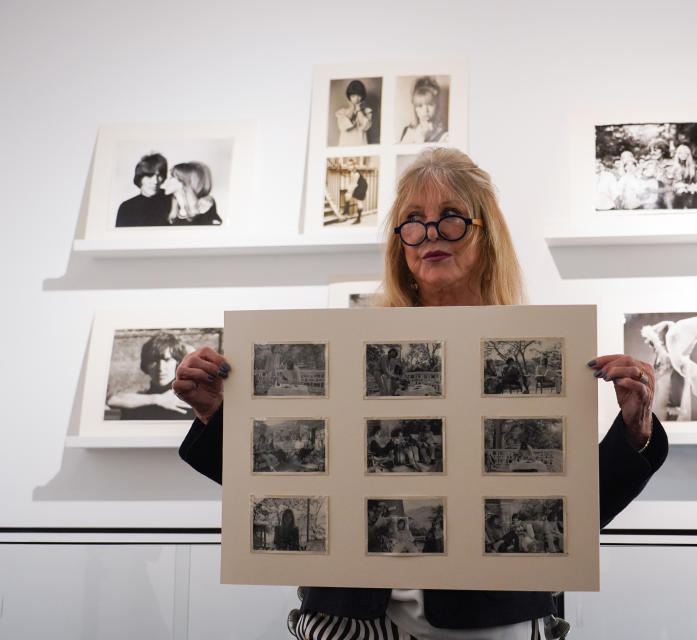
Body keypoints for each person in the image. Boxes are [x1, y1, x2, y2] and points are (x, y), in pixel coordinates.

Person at [174, 147, 668, 639]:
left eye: (450, 216)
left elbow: (570, 511)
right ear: (400, 246)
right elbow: (294, 477)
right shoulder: (353, 351)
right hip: (351, 617)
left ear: (485, 234)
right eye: (413, 220)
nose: (430, 233)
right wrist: (217, 415)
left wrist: (635, 432)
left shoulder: (533, 350)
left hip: (491, 619)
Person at [105, 332, 193, 420]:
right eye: (154, 361)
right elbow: (111, 399)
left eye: (167, 360)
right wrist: (158, 399)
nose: (160, 368)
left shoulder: (191, 397)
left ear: (177, 362)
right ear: (146, 364)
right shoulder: (134, 402)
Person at [115, 152, 174, 227]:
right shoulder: (127, 207)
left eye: (159, 176)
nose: (155, 181)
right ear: (140, 178)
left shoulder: (172, 200)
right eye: (149, 176)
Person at [399, 76, 449, 144]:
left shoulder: (444, 135)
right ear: (415, 109)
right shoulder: (410, 133)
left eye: (430, 104)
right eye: (420, 106)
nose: (425, 110)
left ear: (436, 106)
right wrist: (421, 137)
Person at [335, 80, 374, 146]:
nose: (356, 99)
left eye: (359, 96)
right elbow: (343, 126)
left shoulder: (367, 111)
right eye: (353, 96)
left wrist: (359, 110)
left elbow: (365, 126)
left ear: (362, 97)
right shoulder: (341, 112)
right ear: (349, 97)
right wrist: (352, 109)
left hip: (361, 145)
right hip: (345, 146)